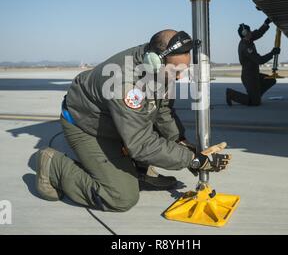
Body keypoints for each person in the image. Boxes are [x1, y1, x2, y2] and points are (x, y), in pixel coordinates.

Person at [36, 29, 231, 212]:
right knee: (121, 197)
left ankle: (137, 170)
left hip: (115, 122)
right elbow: (140, 143)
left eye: (183, 70)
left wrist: (181, 143)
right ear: (155, 60)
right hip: (86, 126)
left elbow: (161, 110)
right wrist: (192, 159)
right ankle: (53, 165)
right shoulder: (126, 84)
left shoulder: (160, 67)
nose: (179, 77)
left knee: (154, 133)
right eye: (176, 71)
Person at [226, 18, 280, 106]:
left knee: (271, 80)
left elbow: (258, 33)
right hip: (249, 77)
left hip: (255, 74)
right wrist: (272, 53)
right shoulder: (246, 47)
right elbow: (259, 60)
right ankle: (231, 94)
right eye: (249, 31)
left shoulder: (248, 39)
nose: (251, 32)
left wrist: (266, 23)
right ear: (245, 34)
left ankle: (256, 95)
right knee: (255, 103)